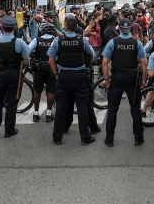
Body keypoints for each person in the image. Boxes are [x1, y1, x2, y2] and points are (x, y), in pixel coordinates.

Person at [47, 16, 96, 145]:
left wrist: (56, 74)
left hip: (63, 77)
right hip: (79, 76)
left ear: (66, 27)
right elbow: (92, 55)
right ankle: (85, 137)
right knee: (82, 107)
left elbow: (51, 60)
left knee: (61, 108)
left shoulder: (58, 40)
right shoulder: (82, 40)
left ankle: (57, 137)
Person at [101, 18, 147, 147]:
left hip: (117, 77)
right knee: (135, 109)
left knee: (112, 109)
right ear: (130, 29)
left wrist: (106, 79)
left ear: (119, 28)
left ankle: (109, 139)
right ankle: (138, 138)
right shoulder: (136, 42)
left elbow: (104, 63)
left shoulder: (113, 42)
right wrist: (143, 79)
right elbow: (144, 62)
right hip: (132, 78)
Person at [0, 16, 30, 138]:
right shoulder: (20, 42)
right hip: (14, 75)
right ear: (14, 28)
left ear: (2, 27)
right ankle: (9, 129)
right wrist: (21, 69)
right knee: (12, 102)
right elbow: (26, 60)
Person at [28, 22, 58, 122]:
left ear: (42, 31)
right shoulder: (55, 40)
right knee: (51, 91)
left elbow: (28, 50)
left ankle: (36, 114)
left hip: (39, 68)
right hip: (51, 68)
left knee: (38, 91)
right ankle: (49, 114)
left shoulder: (37, 40)